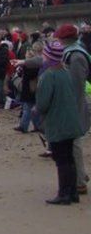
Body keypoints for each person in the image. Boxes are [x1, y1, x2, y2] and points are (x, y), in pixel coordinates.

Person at [37, 40, 84, 205]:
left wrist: (38, 109)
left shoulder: (48, 75)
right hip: (71, 121)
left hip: (58, 122)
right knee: (69, 157)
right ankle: (72, 193)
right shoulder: (66, 72)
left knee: (61, 159)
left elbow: (42, 103)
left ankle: (64, 194)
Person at [56, 24, 91, 194]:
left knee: (74, 144)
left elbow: (76, 87)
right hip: (74, 105)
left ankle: (79, 182)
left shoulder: (76, 56)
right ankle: (81, 176)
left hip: (74, 107)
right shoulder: (73, 53)